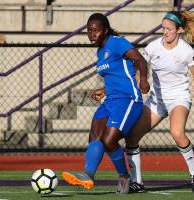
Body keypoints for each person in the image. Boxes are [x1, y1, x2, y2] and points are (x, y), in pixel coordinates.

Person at [62, 13, 150, 194]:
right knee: (95, 137)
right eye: (89, 30)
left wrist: (143, 80)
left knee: (109, 141)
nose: (92, 34)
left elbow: (139, 59)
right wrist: (104, 90)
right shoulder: (100, 51)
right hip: (110, 100)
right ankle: (88, 174)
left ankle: (124, 177)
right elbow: (116, 76)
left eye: (96, 30)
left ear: (106, 31)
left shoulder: (117, 42)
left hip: (128, 100)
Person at [124, 10, 194, 193]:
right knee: (131, 137)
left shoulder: (186, 51)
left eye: (169, 29)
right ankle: (137, 182)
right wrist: (139, 78)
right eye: (163, 28)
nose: (165, 31)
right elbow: (140, 66)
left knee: (177, 132)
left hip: (178, 98)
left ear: (179, 30)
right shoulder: (153, 47)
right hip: (156, 100)